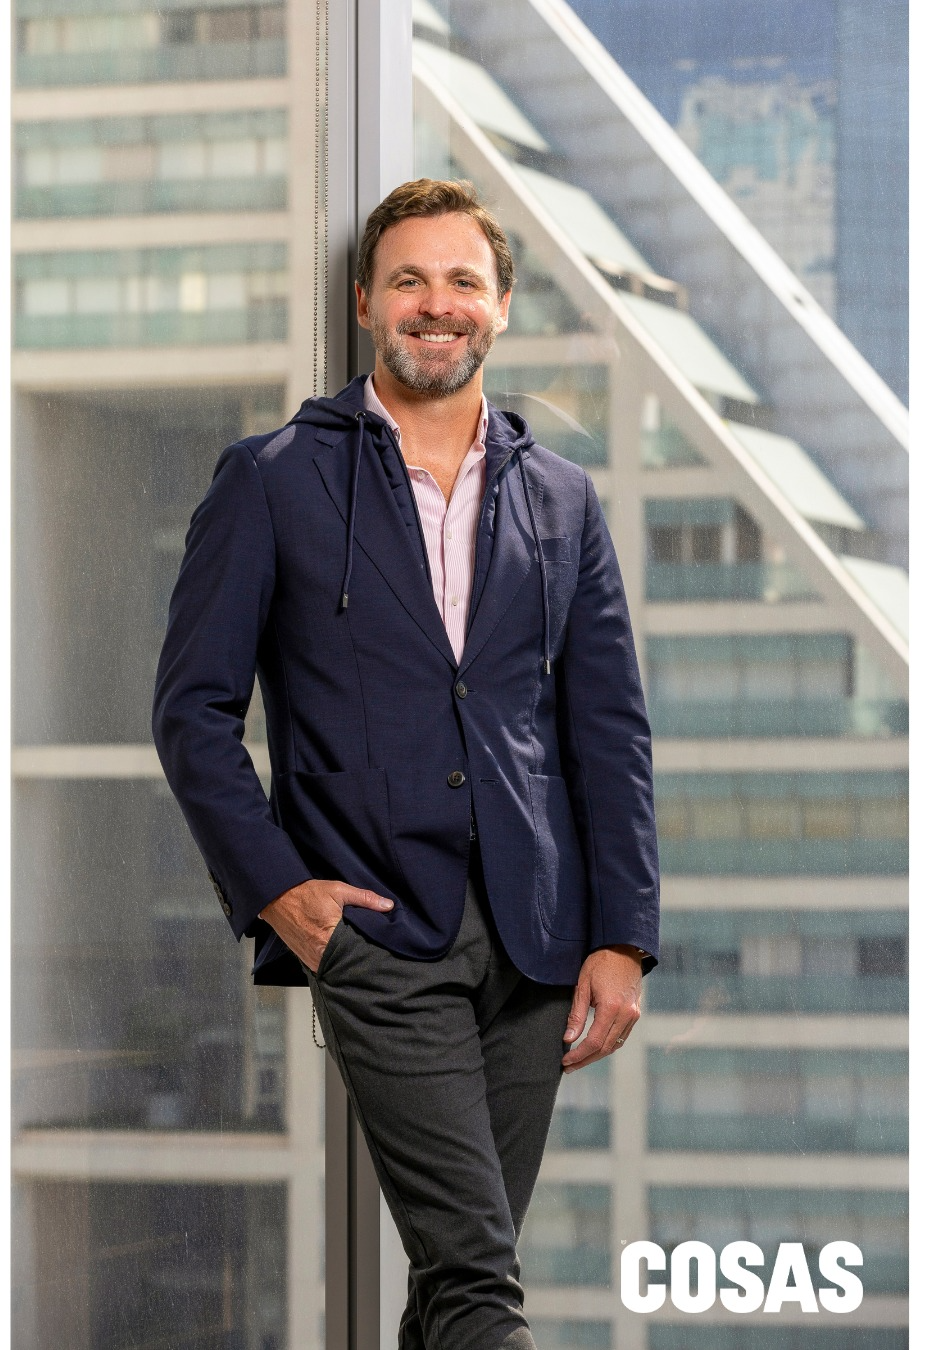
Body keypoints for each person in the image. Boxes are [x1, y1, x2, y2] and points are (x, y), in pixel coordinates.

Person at [153, 178, 659, 1350]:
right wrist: (285, 897)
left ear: (500, 305)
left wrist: (622, 937)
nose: (437, 304)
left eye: (462, 281)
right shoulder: (272, 478)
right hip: (376, 930)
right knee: (480, 1284)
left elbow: (607, 729)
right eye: (409, 281)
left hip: (536, 942)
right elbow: (192, 713)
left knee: (450, 1290)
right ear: (366, 303)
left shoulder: (562, 498)